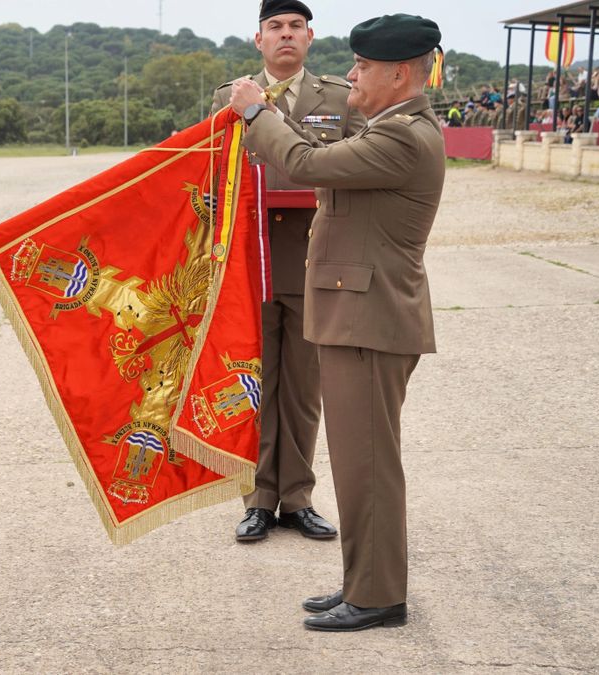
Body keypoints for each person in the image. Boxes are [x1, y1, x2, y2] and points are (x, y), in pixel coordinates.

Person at [231, 12, 445, 632]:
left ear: (399, 72)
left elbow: (306, 163)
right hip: (359, 316)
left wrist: (255, 112)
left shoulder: (403, 135)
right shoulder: (390, 126)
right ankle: (363, 582)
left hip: (370, 321)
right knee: (359, 464)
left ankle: (378, 596)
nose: (351, 76)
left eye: (363, 67)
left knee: (368, 466)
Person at [209, 0, 363, 544]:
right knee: (254, 383)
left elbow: (354, 167)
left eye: (295, 26)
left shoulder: (340, 98)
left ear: (310, 37)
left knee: (301, 387)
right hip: (249, 264)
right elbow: (209, 177)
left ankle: (296, 497)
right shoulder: (229, 98)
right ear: (258, 40)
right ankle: (256, 499)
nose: (285, 35)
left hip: (310, 259)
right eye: (274, 27)